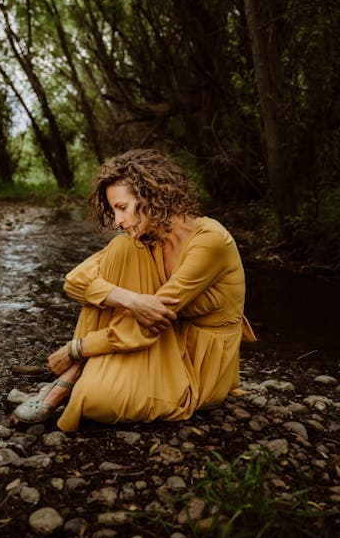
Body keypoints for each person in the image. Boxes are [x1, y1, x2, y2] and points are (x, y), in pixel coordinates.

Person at [15, 149, 256, 429]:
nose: (118, 220)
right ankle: (70, 377)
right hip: (162, 337)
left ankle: (75, 370)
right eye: (115, 210)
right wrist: (129, 299)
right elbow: (74, 281)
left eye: (122, 207)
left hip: (197, 360)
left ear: (152, 197)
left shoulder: (210, 240)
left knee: (93, 401)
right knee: (121, 247)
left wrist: (77, 348)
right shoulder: (148, 238)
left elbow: (151, 321)